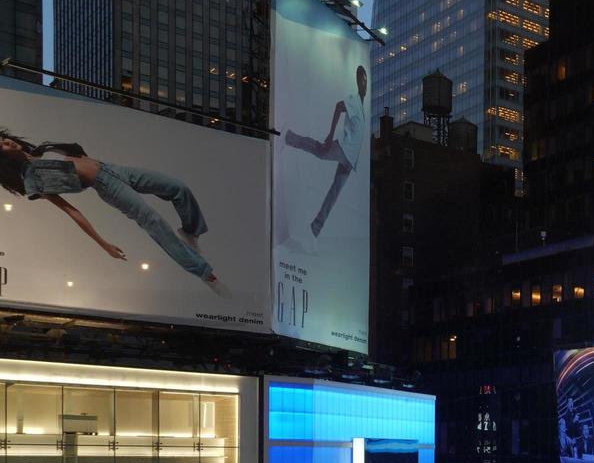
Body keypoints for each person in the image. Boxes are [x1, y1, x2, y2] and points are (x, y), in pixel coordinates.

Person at [0, 129, 228, 293]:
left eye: (3, 138)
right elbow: (70, 210)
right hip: (106, 185)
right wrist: (103, 244)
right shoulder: (32, 178)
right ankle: (204, 273)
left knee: (178, 187)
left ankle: (191, 230)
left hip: (114, 169)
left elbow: (79, 154)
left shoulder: (43, 149)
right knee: (153, 220)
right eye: (1, 145)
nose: (7, 142)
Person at [280, 65, 367, 245]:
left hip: (350, 160)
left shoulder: (363, 106)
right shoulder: (354, 100)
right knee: (319, 150)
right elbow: (338, 107)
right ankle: (290, 137)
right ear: (357, 82)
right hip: (343, 149)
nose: (364, 83)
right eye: (361, 80)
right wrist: (330, 134)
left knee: (334, 192)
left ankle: (315, 228)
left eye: (365, 80)